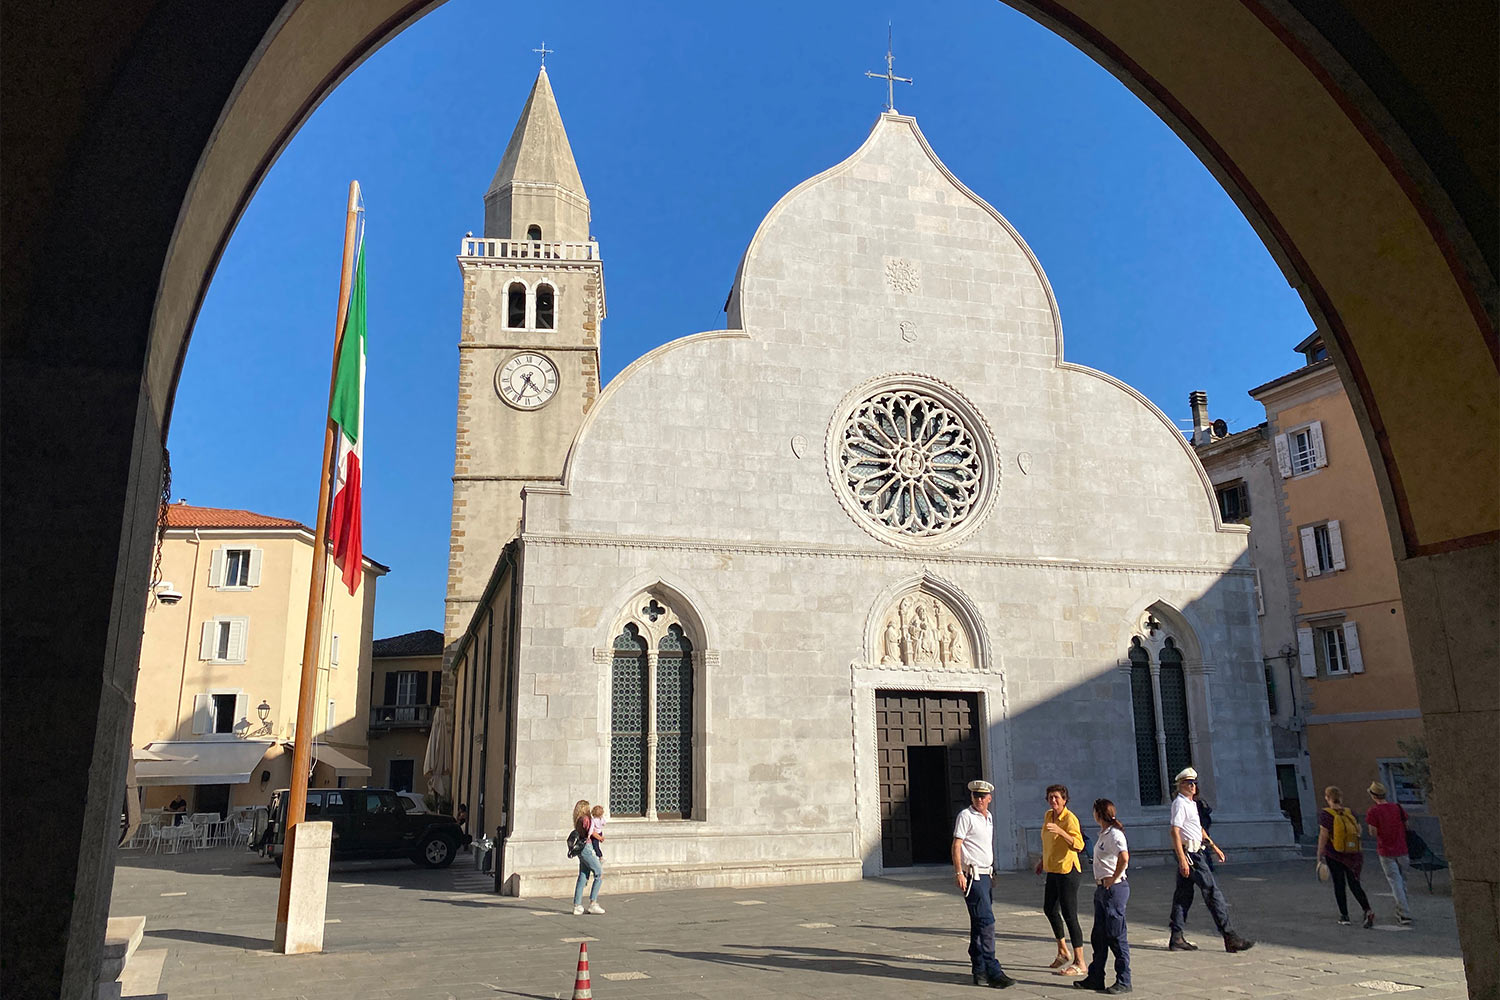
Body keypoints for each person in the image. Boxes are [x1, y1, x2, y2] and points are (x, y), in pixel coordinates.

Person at [1167, 767, 1254, 953]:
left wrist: (1214, 847)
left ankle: (1176, 937)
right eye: (1189, 783)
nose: (1193, 786)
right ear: (1181, 785)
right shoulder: (1180, 804)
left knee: (1183, 895)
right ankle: (1229, 935)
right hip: (1190, 854)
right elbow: (1175, 831)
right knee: (1212, 892)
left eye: (1195, 783)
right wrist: (1182, 859)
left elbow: (1198, 829)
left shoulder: (1191, 803)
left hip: (1196, 851)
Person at [953, 779, 1016, 989]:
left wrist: (992, 870)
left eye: (983, 796)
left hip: (986, 874)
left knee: (979, 924)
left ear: (989, 798)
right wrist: (959, 872)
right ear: (972, 797)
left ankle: (979, 970)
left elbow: (985, 847)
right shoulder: (965, 816)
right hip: (973, 876)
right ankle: (993, 969)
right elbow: (957, 844)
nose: (979, 799)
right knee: (987, 922)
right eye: (975, 796)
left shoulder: (988, 817)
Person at [1075, 799, 1130, 995]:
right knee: (1099, 936)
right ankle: (1095, 976)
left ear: (1098, 814)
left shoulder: (1115, 835)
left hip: (1114, 889)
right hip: (1102, 890)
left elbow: (1124, 857)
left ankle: (1124, 980)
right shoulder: (1103, 834)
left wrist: (1113, 878)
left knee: (1116, 936)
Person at [1035, 784, 1086, 976]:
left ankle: (1080, 961)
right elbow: (1048, 842)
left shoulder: (1069, 819)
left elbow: (1079, 845)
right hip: (1053, 869)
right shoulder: (1048, 815)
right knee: (1049, 908)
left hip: (1068, 870)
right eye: (1050, 797)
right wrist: (1042, 860)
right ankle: (1062, 950)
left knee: (1069, 914)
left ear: (1065, 800)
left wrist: (1061, 831)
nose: (1053, 801)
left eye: (1057, 797)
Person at [1318, 786, 1374, 928]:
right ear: (1341, 798)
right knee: (1355, 884)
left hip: (1334, 854)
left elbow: (1324, 835)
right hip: (1353, 855)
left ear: (1327, 798)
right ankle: (1367, 910)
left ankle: (1344, 916)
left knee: (1339, 884)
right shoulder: (1351, 813)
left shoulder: (1326, 815)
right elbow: (1359, 831)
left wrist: (1319, 854)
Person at [1365, 781, 1413, 925]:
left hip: (1386, 850)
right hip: (1402, 849)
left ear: (1373, 796)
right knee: (1403, 881)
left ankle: (1404, 913)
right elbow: (1407, 825)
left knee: (1395, 882)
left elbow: (1373, 832)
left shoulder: (1373, 811)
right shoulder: (1397, 808)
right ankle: (1403, 909)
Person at [570, 799, 604, 916]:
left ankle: (577, 905)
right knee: (599, 873)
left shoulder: (578, 819)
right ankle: (593, 903)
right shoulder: (586, 819)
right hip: (587, 848)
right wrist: (599, 837)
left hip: (580, 849)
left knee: (583, 875)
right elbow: (591, 831)